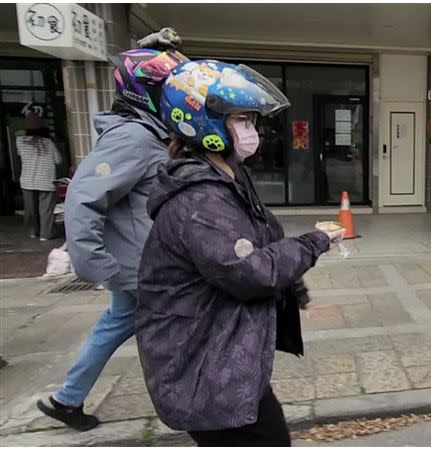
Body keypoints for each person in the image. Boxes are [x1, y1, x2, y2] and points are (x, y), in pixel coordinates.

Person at [136, 59, 344, 447]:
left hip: (222, 354)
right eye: (242, 120)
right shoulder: (200, 201)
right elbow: (249, 271)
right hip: (202, 365)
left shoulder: (225, 173)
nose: (252, 131)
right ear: (205, 123)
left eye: (251, 120)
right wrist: (314, 243)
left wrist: (293, 287)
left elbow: (263, 232)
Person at [36, 37, 187, 431]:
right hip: (142, 265)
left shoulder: (145, 132)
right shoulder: (133, 138)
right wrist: (95, 264)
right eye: (165, 90)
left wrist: (150, 50)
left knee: (116, 325)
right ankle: (192, 404)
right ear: (145, 95)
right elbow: (83, 198)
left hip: (140, 259)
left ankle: (66, 398)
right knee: (180, 328)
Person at [16, 113, 62, 241]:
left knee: (31, 209)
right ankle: (45, 235)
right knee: (46, 209)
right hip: (46, 181)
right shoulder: (48, 142)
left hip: (27, 181)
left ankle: (33, 232)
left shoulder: (19, 141)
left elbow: (20, 155)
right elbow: (58, 160)